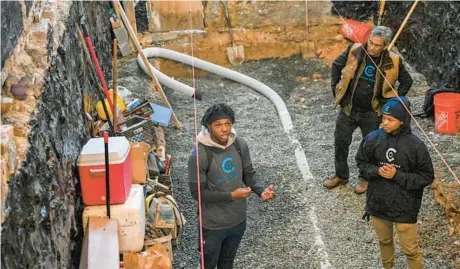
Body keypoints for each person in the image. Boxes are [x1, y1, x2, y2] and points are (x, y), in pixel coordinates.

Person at [323, 26, 413, 194]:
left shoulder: (393, 61)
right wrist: (336, 89)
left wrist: (391, 104)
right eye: (370, 42)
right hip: (349, 108)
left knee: (369, 147)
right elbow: (336, 65)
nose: (371, 47)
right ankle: (341, 175)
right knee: (340, 142)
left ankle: (365, 178)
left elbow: (407, 81)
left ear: (385, 46)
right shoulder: (355, 49)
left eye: (376, 45)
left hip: (372, 112)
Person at [188, 103, 275, 269]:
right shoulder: (199, 155)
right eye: (218, 125)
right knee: (208, 264)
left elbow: (249, 175)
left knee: (227, 263)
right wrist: (231, 196)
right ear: (208, 126)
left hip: (237, 221)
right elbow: (197, 193)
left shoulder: (239, 144)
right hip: (212, 226)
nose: (224, 129)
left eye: (228, 124)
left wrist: (261, 190)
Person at [356, 96, 434, 269]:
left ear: (402, 121)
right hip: (378, 204)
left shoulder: (416, 146)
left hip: (405, 207)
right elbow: (361, 163)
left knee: (410, 250)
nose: (385, 123)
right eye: (383, 118)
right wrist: (376, 171)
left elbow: (427, 176)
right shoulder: (372, 138)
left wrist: (397, 175)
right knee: (384, 241)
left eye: (390, 119)